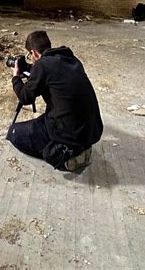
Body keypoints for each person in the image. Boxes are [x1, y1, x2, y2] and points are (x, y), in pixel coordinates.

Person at [7, 30, 103, 172]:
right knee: (41, 122)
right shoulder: (69, 58)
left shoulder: (42, 66)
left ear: (33, 53)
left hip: (68, 132)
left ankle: (67, 156)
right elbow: (50, 74)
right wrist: (32, 70)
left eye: (29, 56)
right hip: (91, 130)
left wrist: (15, 77)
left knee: (14, 133)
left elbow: (25, 97)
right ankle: (79, 148)